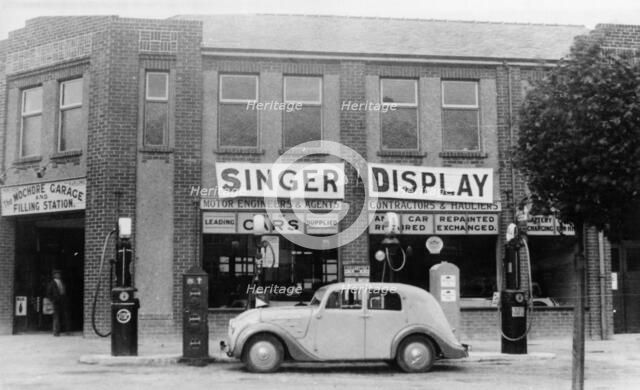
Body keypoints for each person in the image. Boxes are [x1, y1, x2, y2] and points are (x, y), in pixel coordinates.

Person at [46, 270, 70, 336]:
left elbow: (64, 291)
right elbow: (48, 293)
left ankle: (66, 331)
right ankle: (56, 332)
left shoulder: (62, 282)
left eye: (59, 274)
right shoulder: (52, 283)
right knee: (56, 317)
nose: (58, 275)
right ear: (54, 275)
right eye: (57, 274)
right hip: (56, 301)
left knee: (64, 315)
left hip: (63, 300)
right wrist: (53, 299)